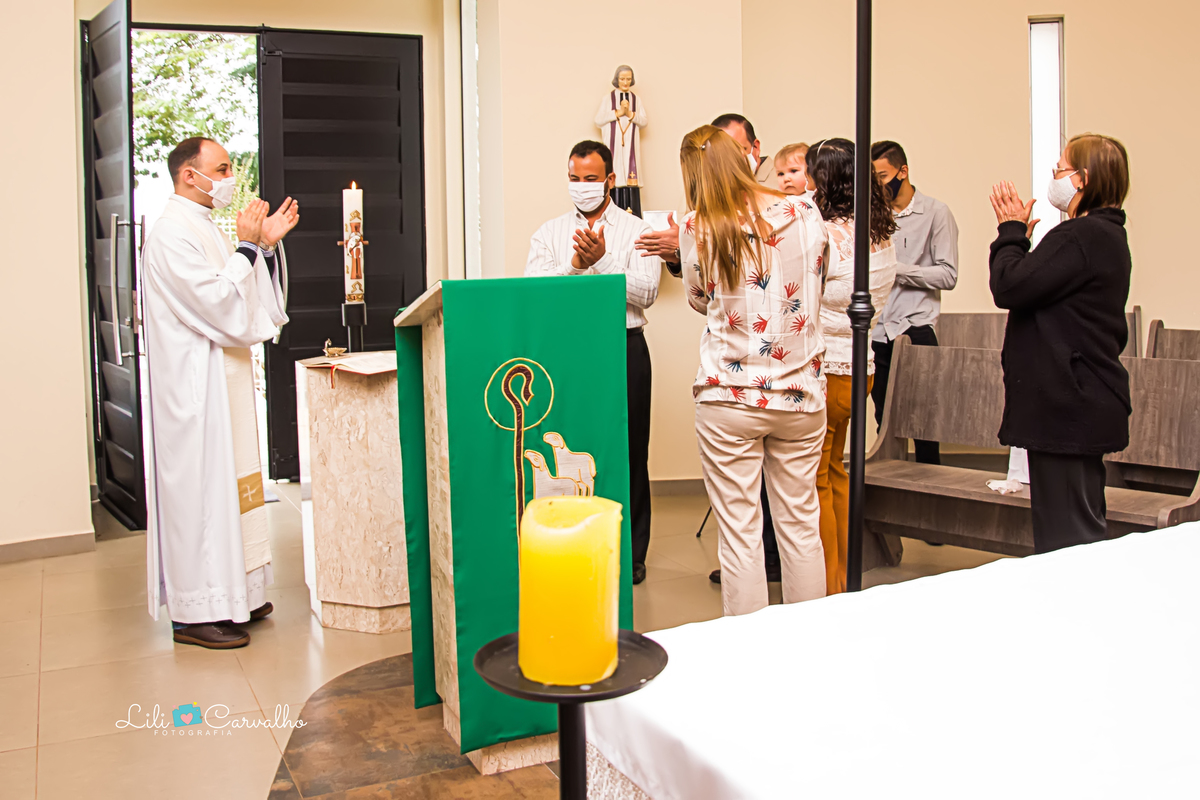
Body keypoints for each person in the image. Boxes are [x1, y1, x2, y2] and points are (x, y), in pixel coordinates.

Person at [142, 137, 299, 649]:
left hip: (222, 379)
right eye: (222, 168)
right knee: (202, 496)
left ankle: (238, 594)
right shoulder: (169, 232)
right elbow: (214, 300)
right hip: (194, 392)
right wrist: (250, 248)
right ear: (190, 175)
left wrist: (265, 248)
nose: (231, 178)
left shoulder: (203, 226)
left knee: (236, 487)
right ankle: (196, 611)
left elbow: (245, 296)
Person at [677, 125, 829, 616]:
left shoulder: (698, 225)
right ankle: (811, 646)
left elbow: (701, 300)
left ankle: (749, 658)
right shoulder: (806, 210)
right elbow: (818, 281)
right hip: (800, 396)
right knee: (802, 526)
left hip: (729, 397)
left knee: (740, 533)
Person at [525, 140, 661, 584]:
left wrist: (601, 264)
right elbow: (538, 294)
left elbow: (647, 294)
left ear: (610, 180)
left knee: (630, 449)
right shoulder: (548, 233)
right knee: (571, 447)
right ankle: (571, 543)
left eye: (590, 179)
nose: (581, 187)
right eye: (573, 179)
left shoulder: (638, 230)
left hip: (624, 346)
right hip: (569, 352)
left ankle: (631, 553)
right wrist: (576, 267)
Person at [988, 134, 1132, 553]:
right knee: (1075, 532)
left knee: (1066, 541)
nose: (1055, 176)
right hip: (1079, 400)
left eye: (1060, 169)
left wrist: (1011, 233)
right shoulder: (1103, 234)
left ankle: (1077, 614)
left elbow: (1009, 287)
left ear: (1082, 179)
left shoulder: (1081, 236)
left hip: (1067, 403)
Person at [806, 139, 898, 594]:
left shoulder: (826, 236)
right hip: (860, 370)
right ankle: (844, 575)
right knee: (837, 469)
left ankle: (828, 583)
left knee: (814, 480)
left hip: (824, 372)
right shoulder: (877, 232)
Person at [869, 141, 959, 467]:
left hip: (917, 328)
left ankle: (930, 496)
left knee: (924, 423)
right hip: (879, 333)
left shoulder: (936, 213)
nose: (879, 185)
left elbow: (948, 275)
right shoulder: (871, 218)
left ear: (903, 171)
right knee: (885, 423)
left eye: (883, 176)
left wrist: (898, 271)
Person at [594, 65, 648, 217]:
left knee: (630, 179)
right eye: (622, 79)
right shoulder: (608, 99)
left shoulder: (636, 100)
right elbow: (598, 120)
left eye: (629, 79)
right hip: (615, 146)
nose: (625, 82)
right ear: (616, 79)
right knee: (615, 174)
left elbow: (644, 121)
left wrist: (630, 114)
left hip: (630, 147)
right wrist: (617, 113)